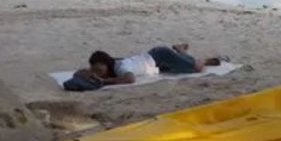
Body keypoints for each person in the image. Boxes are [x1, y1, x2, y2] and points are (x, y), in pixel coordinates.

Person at [76, 44, 223, 85]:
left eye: (98, 68)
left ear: (106, 63)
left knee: (196, 68)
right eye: (94, 69)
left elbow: (130, 79)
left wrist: (105, 82)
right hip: (155, 65)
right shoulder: (108, 67)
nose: (96, 72)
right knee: (182, 66)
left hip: (161, 55)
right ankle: (180, 50)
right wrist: (85, 73)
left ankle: (206, 59)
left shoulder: (120, 67)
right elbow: (79, 73)